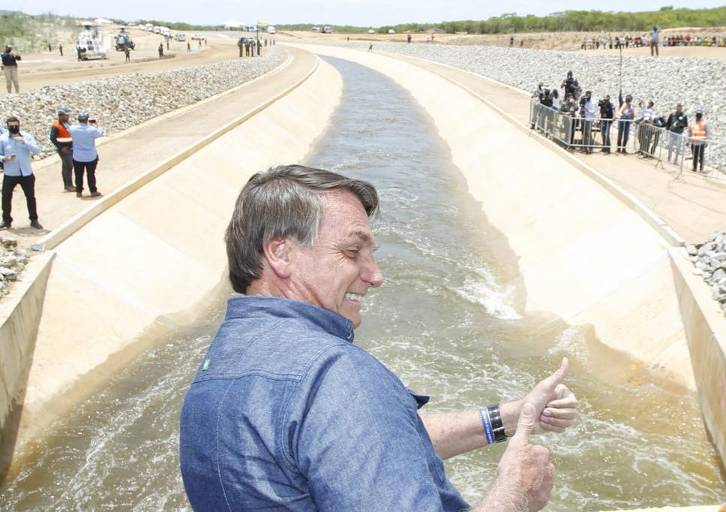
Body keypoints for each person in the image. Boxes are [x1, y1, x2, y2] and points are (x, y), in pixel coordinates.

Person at [180, 165, 579, 511]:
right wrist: (515, 495)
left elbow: (364, 450)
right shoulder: (334, 374)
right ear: (281, 254)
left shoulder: (218, 366)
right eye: (353, 252)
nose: (375, 275)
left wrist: (514, 416)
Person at [0, 117, 43, 230]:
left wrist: (25, 142)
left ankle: (34, 220)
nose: (14, 128)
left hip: (26, 173)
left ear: (19, 125)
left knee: (30, 197)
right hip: (10, 174)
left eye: (15, 125)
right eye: (11, 126)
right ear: (8, 126)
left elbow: (37, 150)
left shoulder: (27, 136)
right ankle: (6, 220)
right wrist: (5, 158)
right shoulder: (3, 138)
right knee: (6, 197)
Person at [69, 111, 105, 198]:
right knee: (91, 174)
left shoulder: (73, 129)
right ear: (87, 120)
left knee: (78, 175)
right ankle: (93, 191)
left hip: (77, 157)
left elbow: (69, 127)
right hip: (90, 156)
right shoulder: (92, 130)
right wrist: (95, 124)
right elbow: (101, 132)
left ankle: (79, 191)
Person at [49, 107, 76, 192]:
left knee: (67, 166)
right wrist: (60, 147)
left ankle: (68, 185)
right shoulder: (56, 125)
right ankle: (69, 185)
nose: (68, 117)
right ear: (60, 116)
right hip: (63, 149)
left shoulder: (67, 123)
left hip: (70, 147)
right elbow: (52, 138)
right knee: (69, 166)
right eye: (66, 115)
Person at [688, 108, 709, 172]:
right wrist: (689, 140)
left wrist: (706, 141)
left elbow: (707, 132)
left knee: (701, 155)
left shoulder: (704, 123)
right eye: (697, 114)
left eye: (699, 115)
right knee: (694, 155)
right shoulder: (692, 122)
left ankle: (701, 168)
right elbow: (690, 131)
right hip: (694, 142)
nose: (698, 116)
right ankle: (694, 167)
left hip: (701, 142)